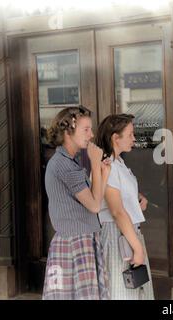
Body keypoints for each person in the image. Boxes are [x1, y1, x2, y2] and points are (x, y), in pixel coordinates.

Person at [42, 106, 111, 300]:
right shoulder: (64, 164)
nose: (92, 134)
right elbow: (95, 205)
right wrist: (95, 165)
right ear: (68, 132)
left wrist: (102, 174)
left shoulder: (68, 161)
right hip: (75, 242)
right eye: (86, 129)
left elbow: (94, 200)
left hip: (80, 239)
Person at [96, 114, 154, 300]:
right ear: (115, 137)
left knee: (135, 292)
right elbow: (116, 211)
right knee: (121, 292)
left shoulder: (119, 163)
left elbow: (122, 200)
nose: (134, 139)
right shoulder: (108, 165)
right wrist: (137, 248)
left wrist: (137, 200)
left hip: (127, 233)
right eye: (130, 134)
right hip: (117, 235)